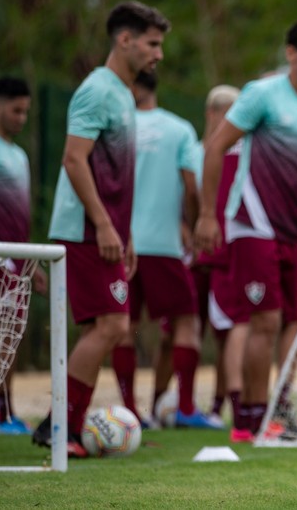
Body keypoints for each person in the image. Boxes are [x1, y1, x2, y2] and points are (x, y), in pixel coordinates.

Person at [32, 1, 169, 457]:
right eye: (152, 44)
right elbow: (74, 159)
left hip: (104, 230)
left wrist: (123, 233)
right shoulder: (96, 91)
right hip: (84, 231)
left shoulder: (123, 95)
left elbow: (112, 174)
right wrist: (105, 225)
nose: (159, 55)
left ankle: (60, 425)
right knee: (112, 327)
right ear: (124, 40)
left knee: (107, 327)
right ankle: (61, 427)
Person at [194, 18, 297, 443]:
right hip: (252, 224)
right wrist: (206, 215)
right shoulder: (262, 95)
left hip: (293, 231)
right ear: (290, 53)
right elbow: (216, 145)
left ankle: (274, 409)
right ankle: (250, 420)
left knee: (291, 319)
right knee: (266, 321)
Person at [109, 70, 220, 429]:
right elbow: (191, 187)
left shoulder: (114, 127)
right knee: (187, 322)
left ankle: (130, 412)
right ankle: (186, 407)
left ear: (130, 88)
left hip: (121, 242)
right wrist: (190, 222)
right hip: (164, 246)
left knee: (124, 323)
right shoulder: (179, 129)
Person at [0, 77, 47, 435]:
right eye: (15, 110)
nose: (22, 118)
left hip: (15, 262)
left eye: (26, 111)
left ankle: (4, 410)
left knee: (9, 336)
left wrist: (28, 260)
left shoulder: (19, 154)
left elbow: (18, 212)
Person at [189, 84, 241, 428]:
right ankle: (181, 403)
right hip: (195, 253)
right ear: (212, 113)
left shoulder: (242, 152)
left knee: (229, 328)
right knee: (190, 329)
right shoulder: (197, 152)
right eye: (228, 113)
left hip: (228, 254)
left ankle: (219, 405)